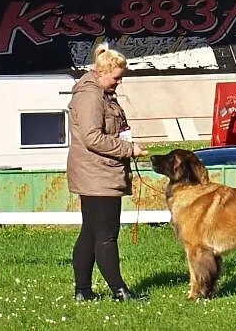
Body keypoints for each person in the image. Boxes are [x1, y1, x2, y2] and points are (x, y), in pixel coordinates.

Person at [66, 43, 148, 302]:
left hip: (97, 172)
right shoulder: (90, 97)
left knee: (90, 231)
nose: (119, 82)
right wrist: (129, 149)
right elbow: (92, 138)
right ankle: (120, 291)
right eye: (117, 77)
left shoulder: (101, 94)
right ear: (103, 71)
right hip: (97, 174)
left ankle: (83, 291)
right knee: (106, 234)